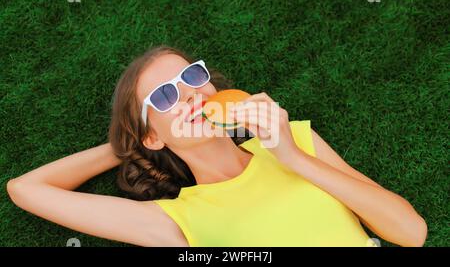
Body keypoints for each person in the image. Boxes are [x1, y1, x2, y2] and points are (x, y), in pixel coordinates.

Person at [6, 45, 427, 247]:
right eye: (166, 97)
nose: (189, 95)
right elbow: (24, 189)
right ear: (154, 135)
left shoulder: (295, 139)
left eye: (191, 78)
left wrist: (293, 158)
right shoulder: (175, 220)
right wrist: (127, 144)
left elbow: (412, 232)